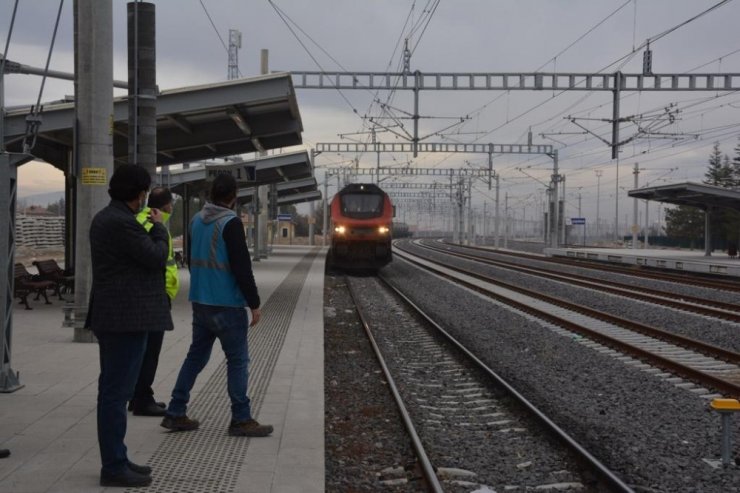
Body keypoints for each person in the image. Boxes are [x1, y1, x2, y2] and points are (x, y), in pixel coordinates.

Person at [161, 173, 272, 438]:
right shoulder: (231, 223)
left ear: (211, 194)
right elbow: (242, 268)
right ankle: (241, 419)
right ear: (233, 197)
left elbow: (190, 257)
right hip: (227, 305)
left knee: (195, 357)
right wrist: (254, 304)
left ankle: (176, 411)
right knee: (237, 361)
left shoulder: (196, 220)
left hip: (201, 301)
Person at [88, 164, 172, 488]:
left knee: (114, 391)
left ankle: (118, 458)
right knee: (114, 394)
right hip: (123, 320)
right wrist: (160, 228)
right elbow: (155, 256)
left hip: (117, 318)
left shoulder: (109, 219)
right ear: (140, 195)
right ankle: (113, 466)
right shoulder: (121, 223)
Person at [128, 187, 180, 416]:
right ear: (166, 205)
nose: (173, 207)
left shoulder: (147, 221)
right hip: (154, 297)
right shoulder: (150, 223)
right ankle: (141, 399)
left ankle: (139, 394)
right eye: (172, 203)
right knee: (149, 351)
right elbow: (152, 258)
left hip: (155, 295)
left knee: (145, 350)